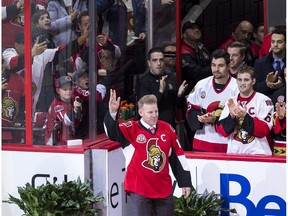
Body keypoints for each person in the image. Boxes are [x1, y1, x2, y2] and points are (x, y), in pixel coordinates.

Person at [104, 90, 192, 216]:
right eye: (150, 112)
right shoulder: (131, 129)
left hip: (163, 188)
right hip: (139, 189)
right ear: (141, 113)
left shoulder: (167, 129)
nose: (154, 115)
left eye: (156, 111)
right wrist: (112, 112)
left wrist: (185, 182)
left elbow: (177, 155)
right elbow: (112, 133)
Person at [186, 49, 239, 152]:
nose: (216, 69)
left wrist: (216, 119)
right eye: (213, 65)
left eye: (221, 66)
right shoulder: (201, 85)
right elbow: (191, 108)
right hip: (201, 142)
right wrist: (200, 118)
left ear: (228, 66)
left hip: (227, 144)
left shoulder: (236, 87)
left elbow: (238, 116)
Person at [216, 65, 274, 155]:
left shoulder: (264, 101)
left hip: (258, 154)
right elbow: (222, 131)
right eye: (239, 79)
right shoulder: (231, 101)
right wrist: (231, 117)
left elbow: (264, 130)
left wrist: (244, 117)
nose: (242, 83)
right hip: (235, 154)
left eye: (246, 80)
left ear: (253, 81)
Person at [137, 47, 188, 128]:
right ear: (149, 63)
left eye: (161, 60)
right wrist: (160, 91)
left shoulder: (171, 78)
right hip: (151, 128)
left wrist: (179, 95)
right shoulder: (144, 81)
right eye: (154, 60)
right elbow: (145, 107)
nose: (158, 63)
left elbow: (181, 106)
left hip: (169, 126)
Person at [45, 76, 82, 145]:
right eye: (65, 89)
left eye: (70, 89)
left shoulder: (71, 101)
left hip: (68, 140)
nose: (68, 91)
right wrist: (76, 110)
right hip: (54, 144)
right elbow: (66, 120)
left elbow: (76, 122)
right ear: (58, 90)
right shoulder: (56, 105)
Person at [72, 68, 106, 138]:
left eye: (88, 77)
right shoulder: (73, 91)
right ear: (77, 81)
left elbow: (97, 97)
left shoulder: (96, 88)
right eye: (84, 77)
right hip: (75, 133)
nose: (87, 79)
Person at [181, 20, 211, 95]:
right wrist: (215, 68)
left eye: (197, 28)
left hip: (206, 90)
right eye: (191, 28)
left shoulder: (202, 49)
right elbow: (197, 75)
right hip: (191, 93)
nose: (196, 30)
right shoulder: (183, 52)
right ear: (184, 34)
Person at [254, 27, 286, 98]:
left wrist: (282, 85)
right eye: (273, 41)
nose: (275, 45)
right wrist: (268, 84)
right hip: (266, 104)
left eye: (279, 42)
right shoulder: (259, 63)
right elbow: (255, 88)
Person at [2, 55, 25, 142]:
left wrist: (19, 119)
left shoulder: (18, 80)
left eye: (1, 62)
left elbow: (24, 104)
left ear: (5, 63)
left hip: (13, 132)